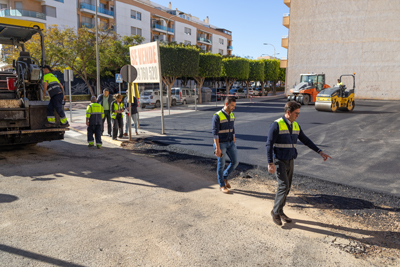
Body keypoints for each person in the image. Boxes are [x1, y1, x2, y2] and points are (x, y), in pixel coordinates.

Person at [266, 101, 332, 226]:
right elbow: (269, 145)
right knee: (283, 186)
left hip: (290, 160)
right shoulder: (276, 125)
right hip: (279, 160)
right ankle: (275, 212)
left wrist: (320, 151)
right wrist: (270, 163)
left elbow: (306, 140)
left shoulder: (295, 125)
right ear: (288, 112)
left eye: (298, 113)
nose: (298, 116)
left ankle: (280, 210)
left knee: (288, 188)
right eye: (296, 113)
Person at [213, 96, 239, 194]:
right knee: (221, 164)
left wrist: (234, 140)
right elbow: (215, 133)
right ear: (226, 104)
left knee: (235, 161)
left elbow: (232, 129)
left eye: (234, 106)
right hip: (220, 144)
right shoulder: (217, 116)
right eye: (232, 106)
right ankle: (222, 185)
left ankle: (224, 177)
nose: (234, 108)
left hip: (230, 143)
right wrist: (217, 148)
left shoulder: (232, 115)